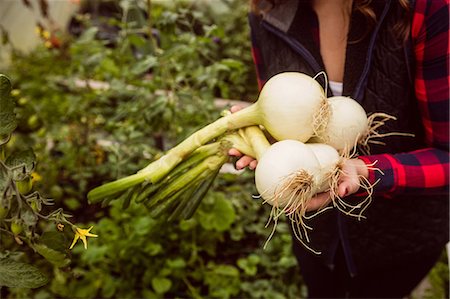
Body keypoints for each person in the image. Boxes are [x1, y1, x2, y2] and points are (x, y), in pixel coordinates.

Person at [229, 0, 449, 297]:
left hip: (403, 239)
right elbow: (275, 113)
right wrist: (261, 138)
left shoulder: (428, 7)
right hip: (314, 234)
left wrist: (366, 171)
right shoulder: (267, 9)